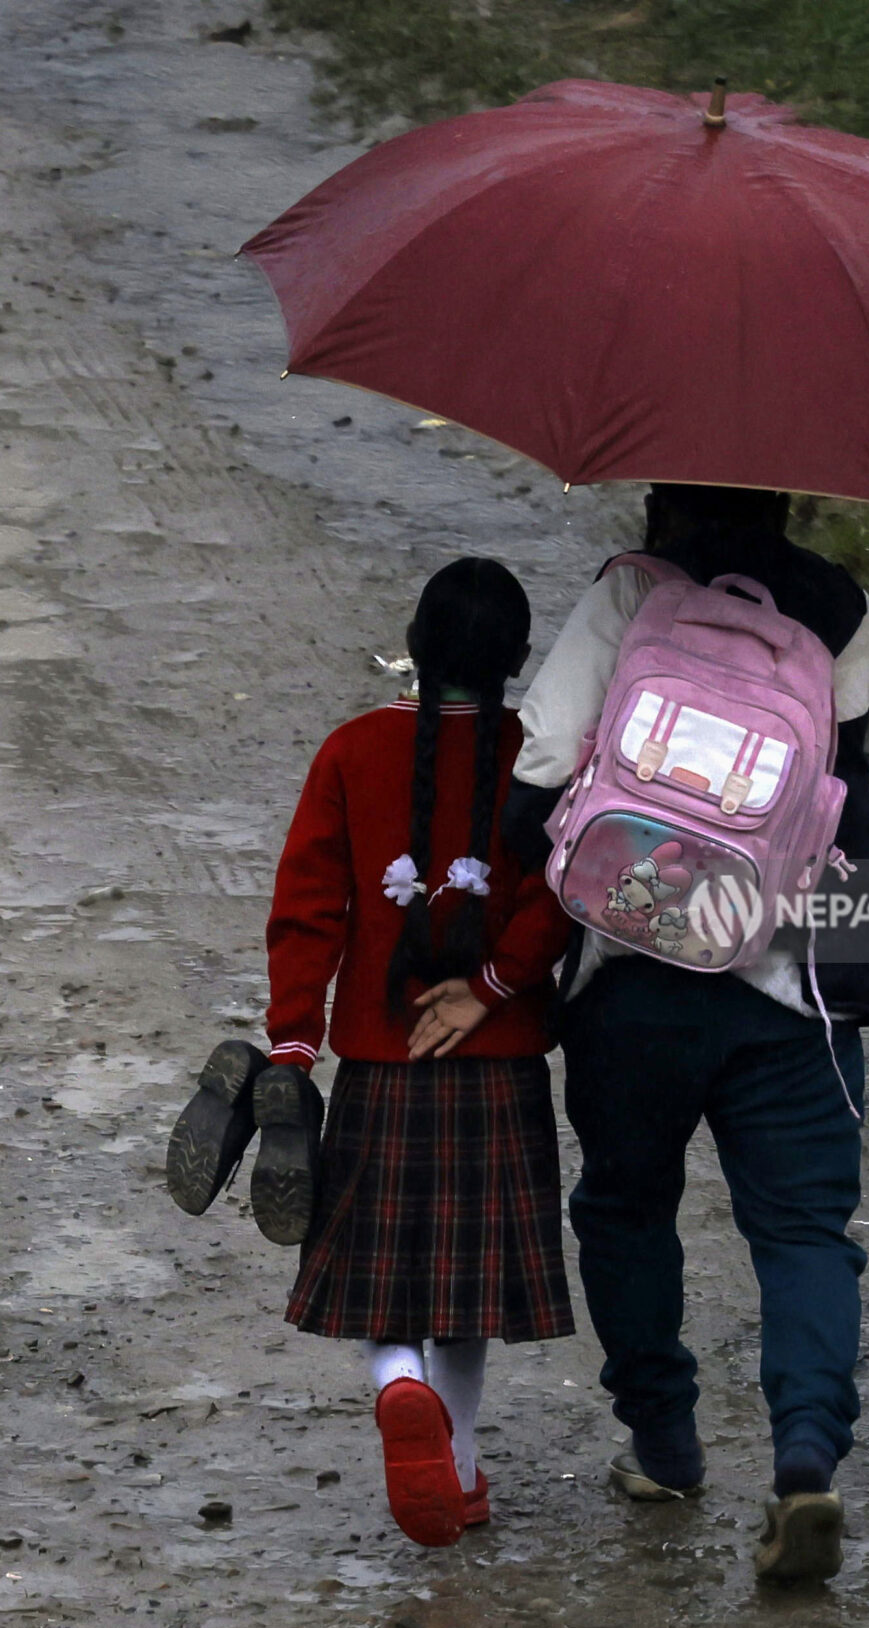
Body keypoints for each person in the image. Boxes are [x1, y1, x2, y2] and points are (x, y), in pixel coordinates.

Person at [502, 483, 869, 1584]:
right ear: (787, 494)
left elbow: (538, 768)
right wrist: (849, 990)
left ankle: (666, 1447)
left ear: (660, 488)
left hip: (635, 972)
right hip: (789, 989)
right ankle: (805, 1458)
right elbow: (852, 800)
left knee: (626, 1202)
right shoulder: (846, 613)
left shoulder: (635, 588)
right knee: (807, 1231)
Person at [258, 557, 576, 1548]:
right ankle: (465, 1463)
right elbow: (567, 893)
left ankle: (399, 1384)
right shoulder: (545, 755)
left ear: (416, 642)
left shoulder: (351, 750)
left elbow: (308, 907)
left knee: (374, 1272)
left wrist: (294, 1040)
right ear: (519, 658)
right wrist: (490, 986)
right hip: (500, 1058)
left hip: (380, 1060)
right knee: (467, 1288)